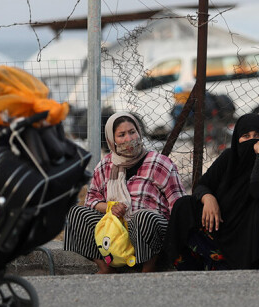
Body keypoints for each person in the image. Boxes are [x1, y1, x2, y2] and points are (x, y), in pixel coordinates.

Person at [163, 113, 259, 270]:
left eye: (257, 136)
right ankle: (203, 262)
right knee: (184, 205)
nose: (252, 141)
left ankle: (254, 263)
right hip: (228, 225)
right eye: (246, 136)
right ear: (237, 138)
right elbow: (203, 185)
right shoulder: (229, 157)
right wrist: (208, 198)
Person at [64, 112, 185, 273]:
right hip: (115, 231)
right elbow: (91, 200)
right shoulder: (105, 166)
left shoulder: (159, 163)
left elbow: (178, 203)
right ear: (111, 140)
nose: (129, 139)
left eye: (132, 132)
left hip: (151, 231)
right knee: (76, 213)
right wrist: (109, 208)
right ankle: (106, 267)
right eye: (121, 135)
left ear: (139, 132)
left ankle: (148, 268)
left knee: (143, 217)